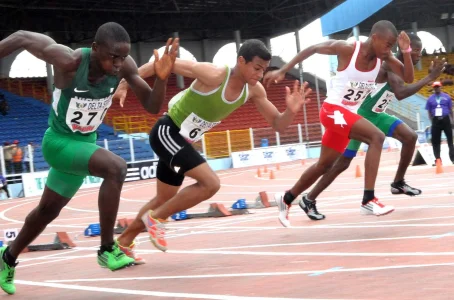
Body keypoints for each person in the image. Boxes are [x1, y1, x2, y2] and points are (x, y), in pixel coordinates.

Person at [0, 22, 179, 294]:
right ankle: (107, 249)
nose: (119, 64)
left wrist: (162, 78)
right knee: (116, 168)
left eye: (123, 57)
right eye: (112, 57)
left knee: (46, 213)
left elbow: (152, 106)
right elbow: (22, 36)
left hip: (84, 145)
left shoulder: (125, 65)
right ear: (95, 49)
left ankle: (7, 258)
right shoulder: (69, 61)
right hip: (59, 142)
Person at [112, 39, 312, 263]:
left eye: (264, 70)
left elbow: (278, 124)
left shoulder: (254, 90)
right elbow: (163, 63)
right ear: (241, 61)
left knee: (163, 198)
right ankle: (156, 219)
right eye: (256, 68)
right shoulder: (215, 74)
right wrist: (124, 84)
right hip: (167, 132)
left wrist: (291, 111)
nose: (259, 74)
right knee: (211, 183)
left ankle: (123, 244)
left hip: (183, 142)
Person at [264, 20, 414, 227]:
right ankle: (368, 199)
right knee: (377, 137)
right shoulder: (348, 50)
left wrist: (405, 51)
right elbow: (313, 48)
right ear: (375, 37)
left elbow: (407, 77)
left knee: (324, 165)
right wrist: (284, 69)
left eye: (392, 46)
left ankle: (287, 198)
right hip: (332, 111)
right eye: (388, 44)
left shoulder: (384, 58)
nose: (389, 50)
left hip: (347, 115)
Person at [295, 34, 447, 220]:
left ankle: (398, 182)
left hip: (377, 114)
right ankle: (309, 198)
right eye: (415, 50)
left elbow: (406, 80)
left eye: (419, 51)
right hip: (360, 115)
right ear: (404, 49)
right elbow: (400, 92)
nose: (418, 55)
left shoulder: (400, 67)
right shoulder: (389, 65)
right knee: (342, 163)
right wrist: (429, 78)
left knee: (410, 137)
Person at [425, 81, 454, 164]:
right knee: (435, 141)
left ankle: (453, 158)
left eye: (438, 86)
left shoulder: (447, 97)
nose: (437, 88)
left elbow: (450, 110)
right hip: (436, 121)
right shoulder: (430, 98)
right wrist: (432, 121)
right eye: (435, 87)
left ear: (441, 87)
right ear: (433, 88)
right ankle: (438, 159)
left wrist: (452, 120)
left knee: (450, 140)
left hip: (446, 119)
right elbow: (429, 112)